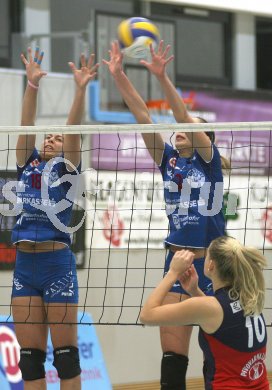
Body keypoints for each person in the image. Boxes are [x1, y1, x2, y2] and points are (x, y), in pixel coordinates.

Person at [104, 41, 225, 389]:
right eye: (182, 127)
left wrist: (162, 77)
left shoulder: (209, 162)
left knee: (214, 356)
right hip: (176, 264)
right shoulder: (170, 161)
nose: (181, 128)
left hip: (212, 267)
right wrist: (119, 76)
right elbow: (142, 115)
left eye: (191, 126)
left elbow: (182, 116)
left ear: (206, 138)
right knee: (173, 361)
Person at [11, 46, 98, 389]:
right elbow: (26, 125)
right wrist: (32, 85)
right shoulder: (27, 162)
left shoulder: (67, 171)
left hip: (56, 264)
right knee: (29, 361)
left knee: (65, 358)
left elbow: (73, 130)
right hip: (24, 267)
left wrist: (79, 90)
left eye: (57, 137)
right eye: (49, 136)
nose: (51, 139)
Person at [140, 236, 270, 390]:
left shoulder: (209, 307)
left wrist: (173, 272)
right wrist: (194, 291)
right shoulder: (249, 297)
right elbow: (222, 321)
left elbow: (146, 315)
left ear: (211, 265)